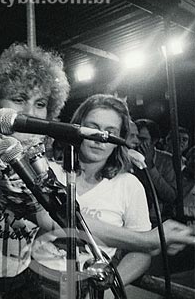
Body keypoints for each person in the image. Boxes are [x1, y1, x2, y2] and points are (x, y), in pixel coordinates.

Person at [31, 94, 152, 298]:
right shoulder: (48, 172)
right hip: (35, 281)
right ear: (76, 129)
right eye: (92, 127)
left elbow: (142, 251)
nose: (99, 138)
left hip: (89, 287)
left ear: (119, 139)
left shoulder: (129, 185)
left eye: (109, 132)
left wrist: (109, 286)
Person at [0, 44, 70, 299]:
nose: (30, 112)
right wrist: (144, 241)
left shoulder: (48, 168)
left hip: (24, 281)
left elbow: (61, 226)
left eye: (40, 103)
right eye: (18, 99)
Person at [135, 119, 177, 224]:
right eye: (134, 137)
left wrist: (150, 166)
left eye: (142, 139)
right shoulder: (128, 157)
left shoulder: (167, 160)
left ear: (154, 141)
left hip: (159, 220)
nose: (137, 142)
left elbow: (170, 196)